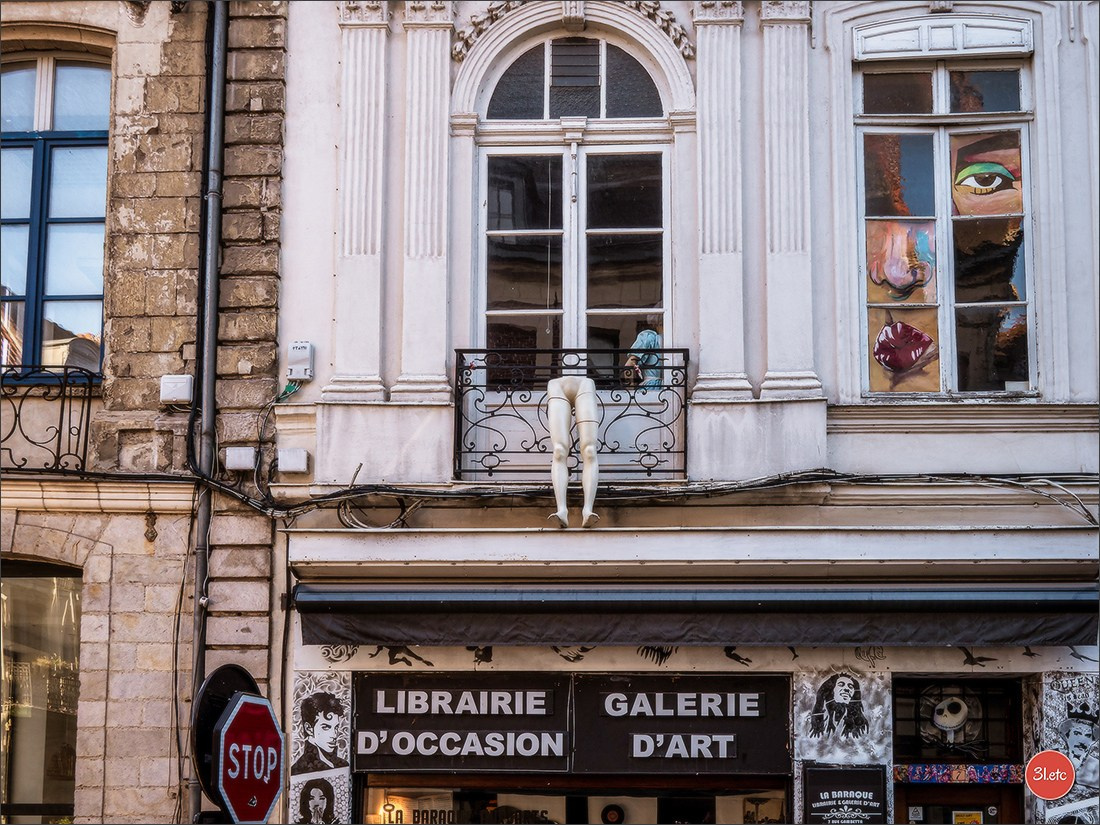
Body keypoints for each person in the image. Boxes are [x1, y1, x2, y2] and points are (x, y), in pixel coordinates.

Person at [546, 375, 599, 528]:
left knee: (589, 450)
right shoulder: (554, 383)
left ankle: (588, 510)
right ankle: (561, 510)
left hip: (585, 386)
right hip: (556, 387)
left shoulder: (588, 382)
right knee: (559, 450)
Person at [292, 691, 348, 774]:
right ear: (309, 728)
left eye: (336, 727)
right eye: (326, 727)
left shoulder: (342, 765)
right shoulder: (301, 769)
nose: (334, 735)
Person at [809, 672, 870, 738]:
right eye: (841, 685)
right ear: (832, 690)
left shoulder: (859, 724)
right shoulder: (819, 720)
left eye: (850, 687)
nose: (847, 689)